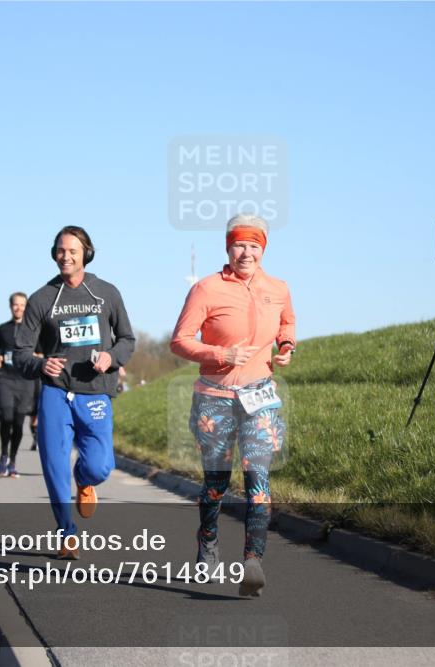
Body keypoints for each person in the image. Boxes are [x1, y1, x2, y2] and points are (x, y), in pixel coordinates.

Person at [170, 214, 296, 597]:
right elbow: (179, 341)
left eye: (254, 245)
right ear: (228, 247)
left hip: (260, 398)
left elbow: (287, 324)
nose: (247, 252)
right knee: (216, 485)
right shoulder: (206, 289)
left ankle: (252, 562)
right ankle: (207, 545)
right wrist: (221, 352)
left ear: (263, 249)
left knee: (258, 483)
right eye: (240, 244)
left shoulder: (279, 288)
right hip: (215, 400)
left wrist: (287, 346)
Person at [14, 226, 135, 558]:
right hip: (55, 392)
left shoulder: (106, 293)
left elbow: (127, 339)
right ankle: (66, 533)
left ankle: (84, 481)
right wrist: (41, 366)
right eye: (59, 250)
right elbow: (20, 351)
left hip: (95, 391)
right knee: (54, 465)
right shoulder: (42, 298)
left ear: (86, 253)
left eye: (72, 251)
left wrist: (111, 357)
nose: (64, 256)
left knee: (100, 467)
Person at [0, 293, 42, 478]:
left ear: (26, 306)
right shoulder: (2, 329)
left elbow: (42, 353)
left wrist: (38, 357)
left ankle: (13, 461)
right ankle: (3, 454)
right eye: (15, 305)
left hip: (26, 381)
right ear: (10, 306)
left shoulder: (34, 329)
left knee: (19, 423)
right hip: (6, 379)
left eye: (22, 305)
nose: (19, 308)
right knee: (6, 419)